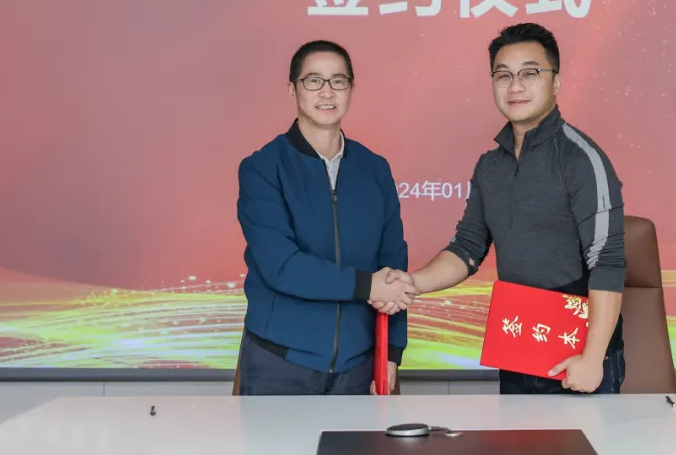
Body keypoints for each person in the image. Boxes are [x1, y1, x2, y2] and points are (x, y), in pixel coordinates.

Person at [374, 22, 626, 394]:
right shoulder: (490, 166)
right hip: (519, 344)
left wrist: (592, 358)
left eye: (530, 73)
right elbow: (467, 248)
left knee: (581, 437)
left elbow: (607, 261)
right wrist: (412, 284)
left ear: (556, 81)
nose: (515, 86)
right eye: (503, 75)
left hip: (579, 355)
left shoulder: (581, 159)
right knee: (515, 435)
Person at [236, 40, 416, 395]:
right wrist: (367, 285)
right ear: (292, 90)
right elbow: (281, 266)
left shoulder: (374, 169)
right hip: (280, 362)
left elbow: (393, 264)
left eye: (338, 81)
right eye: (314, 80)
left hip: (359, 364)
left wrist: (392, 351)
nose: (327, 92)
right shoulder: (262, 168)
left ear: (351, 90)